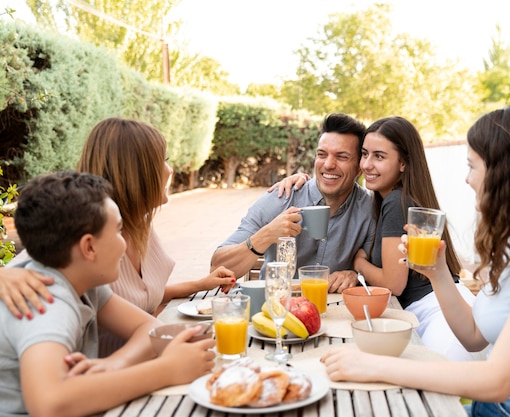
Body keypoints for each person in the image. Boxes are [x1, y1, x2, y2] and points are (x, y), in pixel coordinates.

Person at [320, 105, 510, 417]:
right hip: (501, 404)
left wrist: (378, 366)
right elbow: (474, 337)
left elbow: (499, 381)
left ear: (505, 174)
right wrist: (437, 272)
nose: (466, 179)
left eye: (472, 166)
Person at [0, 117, 235, 356]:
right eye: (162, 160)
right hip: (101, 382)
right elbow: (33, 269)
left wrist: (200, 285)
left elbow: (139, 296)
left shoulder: (139, 225)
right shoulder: (84, 237)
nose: (170, 169)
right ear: (136, 174)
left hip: (139, 363)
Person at [1, 171, 216, 417]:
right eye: (118, 231)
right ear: (89, 247)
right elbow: (50, 403)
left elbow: (149, 327)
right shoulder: (47, 302)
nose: (124, 243)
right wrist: (166, 370)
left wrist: (115, 364)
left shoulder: (84, 285)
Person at [355, 116, 480, 360]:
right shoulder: (405, 198)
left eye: (379, 156)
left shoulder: (395, 201)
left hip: (440, 320)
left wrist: (358, 263)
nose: (367, 164)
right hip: (453, 306)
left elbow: (394, 283)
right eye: (364, 153)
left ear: (403, 163)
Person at [211, 113, 376, 293]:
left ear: (359, 167)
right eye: (322, 154)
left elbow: (377, 270)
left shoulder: (370, 209)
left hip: (338, 311)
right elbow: (217, 269)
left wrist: (355, 275)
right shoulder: (281, 198)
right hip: (275, 308)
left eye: (342, 157)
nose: (328, 164)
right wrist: (266, 235)